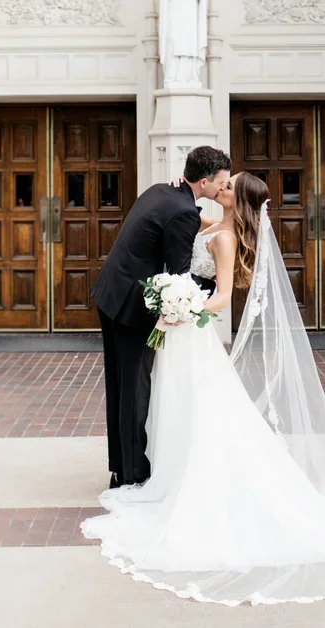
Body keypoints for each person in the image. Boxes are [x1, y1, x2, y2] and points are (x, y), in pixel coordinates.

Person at [82, 172, 325, 605]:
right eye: (222, 180)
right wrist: (179, 185)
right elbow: (182, 216)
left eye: (230, 184)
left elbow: (222, 296)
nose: (223, 185)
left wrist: (182, 307)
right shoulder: (209, 222)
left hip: (190, 329)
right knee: (174, 403)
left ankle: (192, 476)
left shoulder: (225, 240)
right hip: (180, 331)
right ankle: (167, 467)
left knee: (200, 406)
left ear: (237, 196)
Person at [90, 145, 231, 489]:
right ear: (203, 180)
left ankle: (119, 464)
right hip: (132, 307)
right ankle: (132, 473)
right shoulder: (184, 212)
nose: (222, 189)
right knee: (135, 388)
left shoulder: (160, 191)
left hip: (110, 293)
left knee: (120, 385)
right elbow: (179, 275)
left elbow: (183, 226)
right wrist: (204, 289)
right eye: (221, 183)